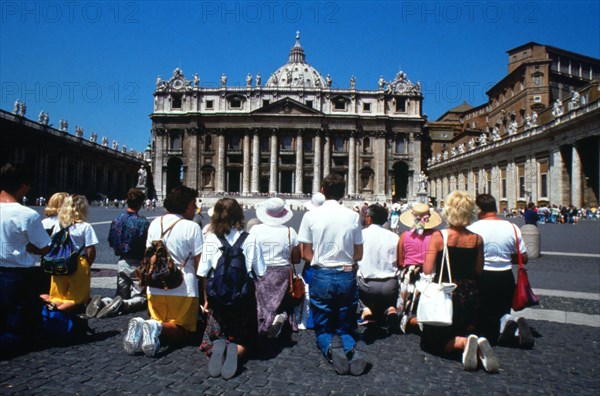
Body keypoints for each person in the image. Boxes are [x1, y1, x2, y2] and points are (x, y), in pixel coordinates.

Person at [421, 191, 499, 373]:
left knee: (431, 343)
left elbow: (427, 269)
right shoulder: (477, 239)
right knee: (464, 326)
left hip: (447, 292)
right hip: (471, 292)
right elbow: (479, 270)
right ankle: (475, 346)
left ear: (448, 211)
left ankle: (464, 344)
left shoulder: (439, 237)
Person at [297, 174, 367, 376]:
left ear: (322, 191)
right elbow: (359, 253)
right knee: (346, 322)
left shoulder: (310, 216)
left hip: (322, 274)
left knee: (324, 324)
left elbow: (305, 253)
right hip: (346, 274)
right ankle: (351, 349)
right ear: (343, 193)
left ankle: (329, 348)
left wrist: (321, 260)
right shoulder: (353, 216)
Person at [122, 186, 203, 357]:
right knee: (184, 330)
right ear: (185, 205)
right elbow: (199, 263)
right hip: (183, 287)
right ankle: (152, 326)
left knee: (163, 321)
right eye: (193, 204)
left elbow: (148, 254)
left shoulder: (154, 224)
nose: (195, 207)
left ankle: (149, 325)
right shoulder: (192, 227)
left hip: (156, 284)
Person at [197, 198, 265, 379]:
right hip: (243, 297)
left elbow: (203, 273)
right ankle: (235, 349)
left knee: (214, 333)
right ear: (239, 215)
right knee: (247, 339)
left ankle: (217, 345)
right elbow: (260, 271)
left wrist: (205, 299)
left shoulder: (210, 239)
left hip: (218, 298)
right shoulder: (250, 238)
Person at [468, 194, 533, 348]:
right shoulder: (512, 227)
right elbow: (523, 258)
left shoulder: (472, 229)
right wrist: (503, 257)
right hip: (505, 277)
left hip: (483, 277)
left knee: (483, 314)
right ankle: (512, 327)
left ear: (479, 209)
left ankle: (488, 337)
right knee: (502, 310)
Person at [0, 163, 51, 356]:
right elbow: (46, 247)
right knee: (18, 330)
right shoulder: (26, 215)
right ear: (24, 186)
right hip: (16, 279)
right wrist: (26, 246)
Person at [87, 188, 150, 319]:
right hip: (137, 264)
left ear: (127, 201)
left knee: (120, 295)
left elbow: (111, 240)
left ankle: (103, 302)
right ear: (141, 203)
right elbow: (147, 245)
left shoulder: (117, 219)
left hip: (121, 262)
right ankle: (123, 305)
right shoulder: (143, 222)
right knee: (141, 297)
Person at [251, 198, 301, 340]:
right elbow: (297, 259)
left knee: (261, 301)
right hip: (282, 272)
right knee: (280, 300)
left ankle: (264, 322)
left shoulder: (255, 230)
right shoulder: (290, 231)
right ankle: (280, 316)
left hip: (261, 271)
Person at [40, 195, 99, 313]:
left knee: (57, 297)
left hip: (58, 263)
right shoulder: (85, 227)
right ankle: (56, 313)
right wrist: (88, 264)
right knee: (75, 299)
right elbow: (90, 249)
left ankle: (49, 314)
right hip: (78, 264)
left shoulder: (58, 225)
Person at [396, 202, 442, 333]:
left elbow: (400, 261)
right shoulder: (437, 236)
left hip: (409, 274)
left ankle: (407, 318)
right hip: (430, 273)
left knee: (408, 297)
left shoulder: (404, 235)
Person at [356, 204, 400, 330]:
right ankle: (391, 308)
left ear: (369, 219)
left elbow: (355, 258)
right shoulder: (394, 236)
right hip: (390, 286)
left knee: (355, 273)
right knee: (388, 300)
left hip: (367, 286)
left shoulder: (361, 234)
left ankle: (366, 309)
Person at [298, 192, 326, 330]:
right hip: (333, 266)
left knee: (310, 293)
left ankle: (309, 320)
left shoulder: (308, 218)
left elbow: (304, 253)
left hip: (313, 264)